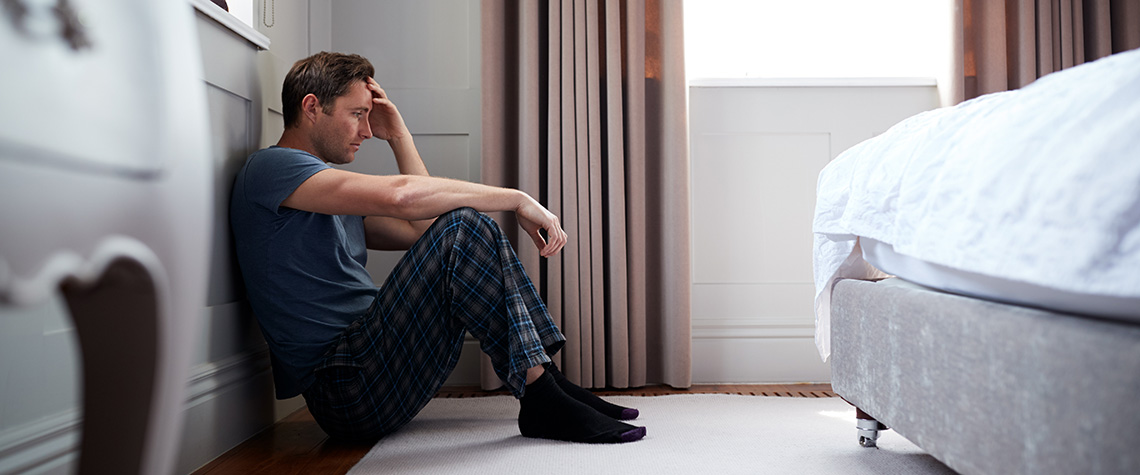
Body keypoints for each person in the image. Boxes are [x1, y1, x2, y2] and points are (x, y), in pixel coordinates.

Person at [230, 51, 644, 444]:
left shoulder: (327, 194)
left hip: (374, 368)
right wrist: (517, 198)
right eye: (357, 115)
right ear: (312, 107)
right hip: (343, 388)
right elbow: (407, 201)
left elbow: (426, 228)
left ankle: (548, 386)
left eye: (369, 118)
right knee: (465, 225)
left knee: (461, 224)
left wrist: (399, 135)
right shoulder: (272, 169)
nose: (367, 131)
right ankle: (543, 396)